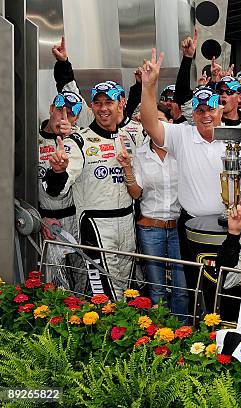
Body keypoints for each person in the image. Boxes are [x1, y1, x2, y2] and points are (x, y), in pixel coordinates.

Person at [138, 49, 241, 310]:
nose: (205, 115)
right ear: (191, 113)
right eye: (199, 110)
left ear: (221, 109)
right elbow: (151, 124)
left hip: (231, 226)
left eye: (210, 108)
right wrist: (149, 86)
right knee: (195, 287)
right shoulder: (181, 134)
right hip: (193, 229)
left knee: (231, 288)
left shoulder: (239, 135)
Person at [43, 83, 142, 301]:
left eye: (109, 102)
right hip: (96, 225)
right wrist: (57, 171)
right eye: (98, 103)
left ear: (120, 104)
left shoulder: (131, 136)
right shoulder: (78, 141)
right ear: (91, 106)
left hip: (127, 221)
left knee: (125, 291)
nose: (103, 108)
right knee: (105, 297)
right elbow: (56, 188)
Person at [118, 104, 189, 321]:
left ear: (171, 123)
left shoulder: (183, 152)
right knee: (156, 289)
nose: (157, 125)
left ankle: (183, 334)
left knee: (182, 288)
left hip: (179, 227)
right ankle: (159, 334)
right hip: (150, 228)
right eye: (153, 121)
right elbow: (136, 193)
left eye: (162, 120)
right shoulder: (139, 154)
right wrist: (128, 169)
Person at [38, 91, 86, 291]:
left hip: (76, 220)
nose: (64, 117)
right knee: (54, 284)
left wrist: (70, 139)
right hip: (47, 221)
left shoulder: (79, 140)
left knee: (82, 280)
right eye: (60, 110)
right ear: (51, 109)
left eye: (71, 114)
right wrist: (41, 219)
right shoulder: (32, 140)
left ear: (76, 119)